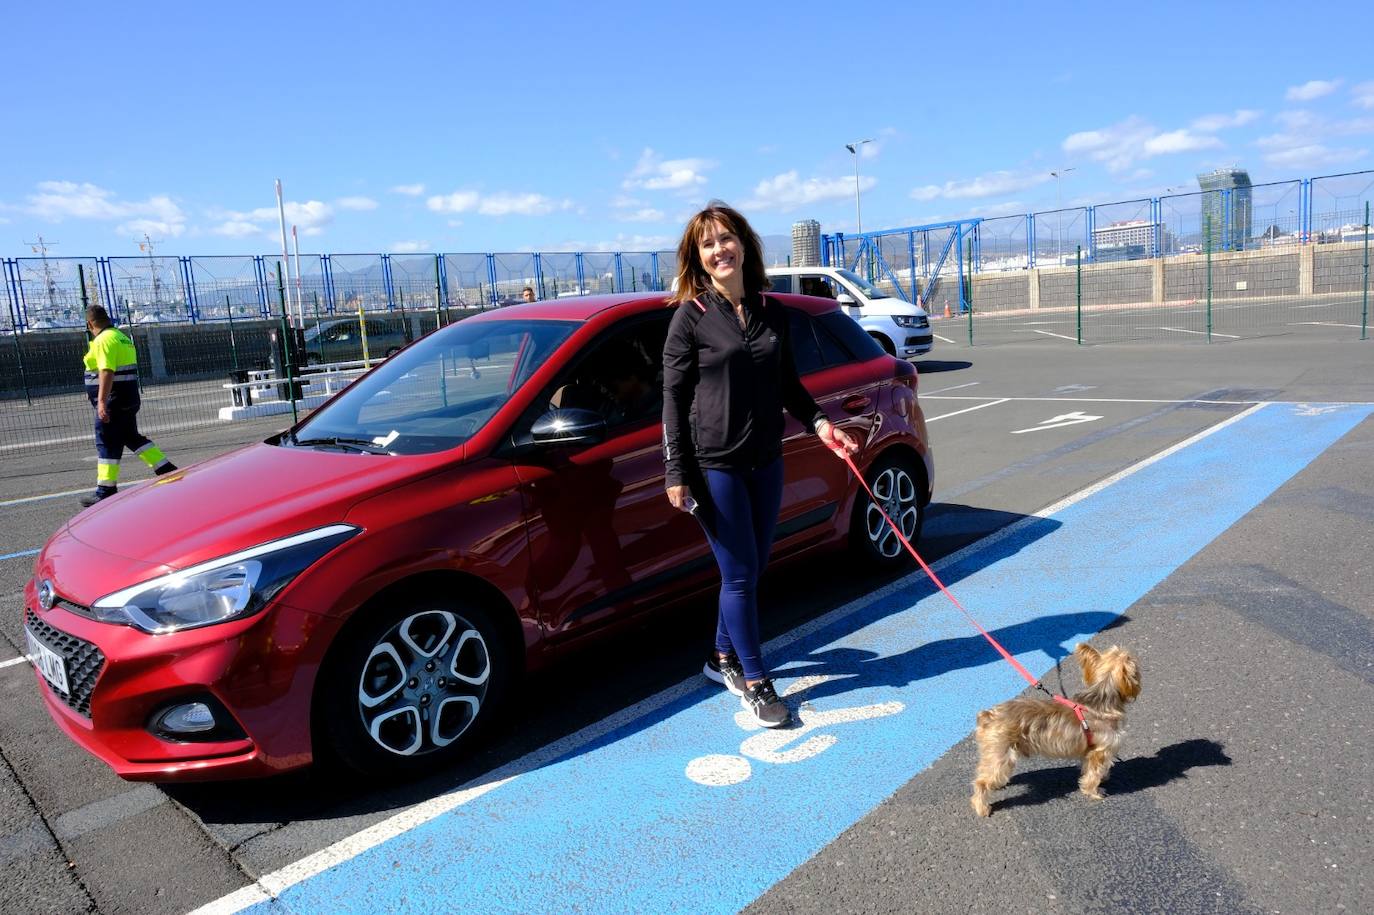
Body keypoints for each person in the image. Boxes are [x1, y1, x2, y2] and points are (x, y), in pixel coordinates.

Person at [662, 202, 858, 728]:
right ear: (698, 259)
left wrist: (821, 425)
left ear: (744, 245)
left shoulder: (770, 311)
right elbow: (673, 400)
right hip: (713, 466)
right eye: (708, 244)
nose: (719, 249)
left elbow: (788, 384)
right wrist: (676, 472)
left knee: (751, 568)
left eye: (726, 238)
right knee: (742, 575)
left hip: (766, 460)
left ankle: (720, 657)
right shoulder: (691, 317)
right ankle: (755, 680)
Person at [78, 305, 177, 507]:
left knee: (106, 441)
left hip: (114, 399)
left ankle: (105, 490)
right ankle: (166, 469)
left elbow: (106, 371)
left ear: (90, 324)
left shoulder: (103, 340)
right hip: (127, 397)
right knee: (131, 436)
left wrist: (102, 401)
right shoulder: (121, 338)